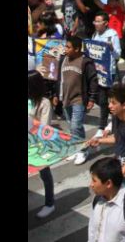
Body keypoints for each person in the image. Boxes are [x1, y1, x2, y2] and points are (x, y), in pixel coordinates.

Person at [52, 36, 99, 165]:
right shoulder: (63, 59)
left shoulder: (85, 62)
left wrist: (92, 98)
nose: (65, 49)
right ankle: (76, 147)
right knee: (71, 125)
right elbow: (58, 79)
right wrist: (56, 95)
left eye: (68, 47)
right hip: (65, 98)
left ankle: (83, 150)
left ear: (77, 49)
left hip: (79, 99)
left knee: (75, 125)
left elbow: (93, 80)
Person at [29, 71, 56, 218]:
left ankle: (49, 203)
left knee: (45, 174)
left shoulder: (44, 103)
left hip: (39, 145)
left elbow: (44, 127)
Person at [91, 11, 122, 137]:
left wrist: (111, 48)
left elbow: (118, 55)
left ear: (105, 23)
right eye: (95, 22)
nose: (96, 24)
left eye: (98, 22)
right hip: (97, 72)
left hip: (109, 72)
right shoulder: (95, 35)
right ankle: (108, 121)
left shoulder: (112, 35)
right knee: (102, 99)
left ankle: (107, 124)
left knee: (108, 99)